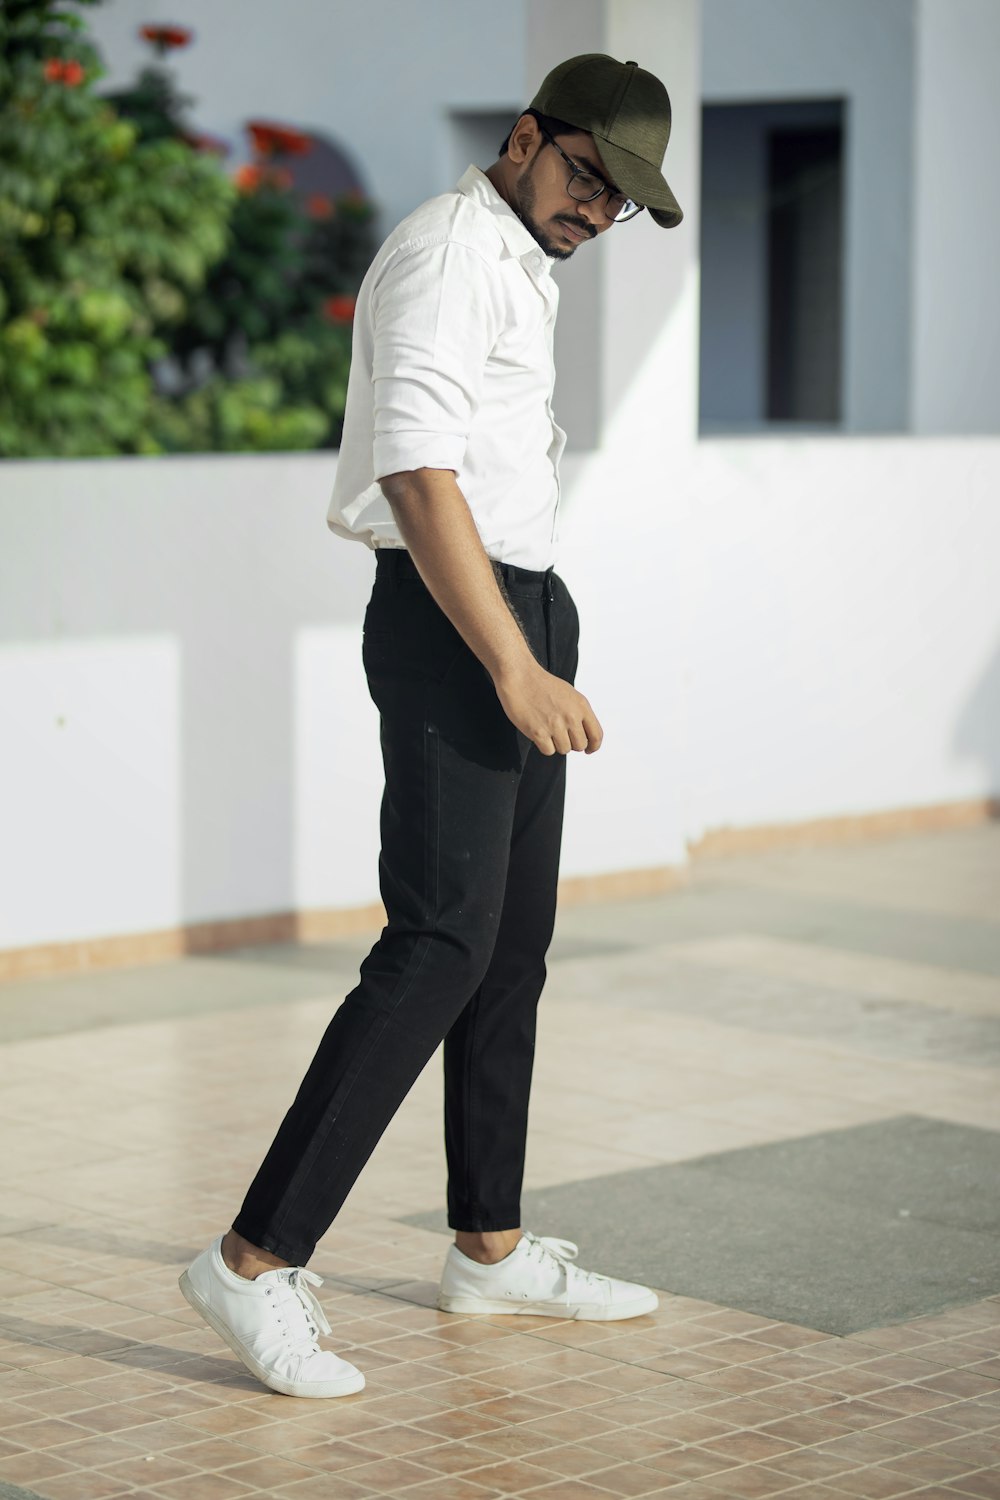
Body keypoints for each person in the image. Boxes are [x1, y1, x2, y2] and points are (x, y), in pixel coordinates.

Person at [180, 52, 683, 1400]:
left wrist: (539, 632)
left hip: (522, 600)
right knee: (440, 946)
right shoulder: (448, 253)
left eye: (620, 200)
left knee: (509, 946)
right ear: (526, 138)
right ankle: (249, 1262)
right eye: (586, 175)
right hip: (458, 622)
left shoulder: (518, 258)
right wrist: (513, 664)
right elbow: (417, 471)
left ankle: (490, 1245)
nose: (595, 211)